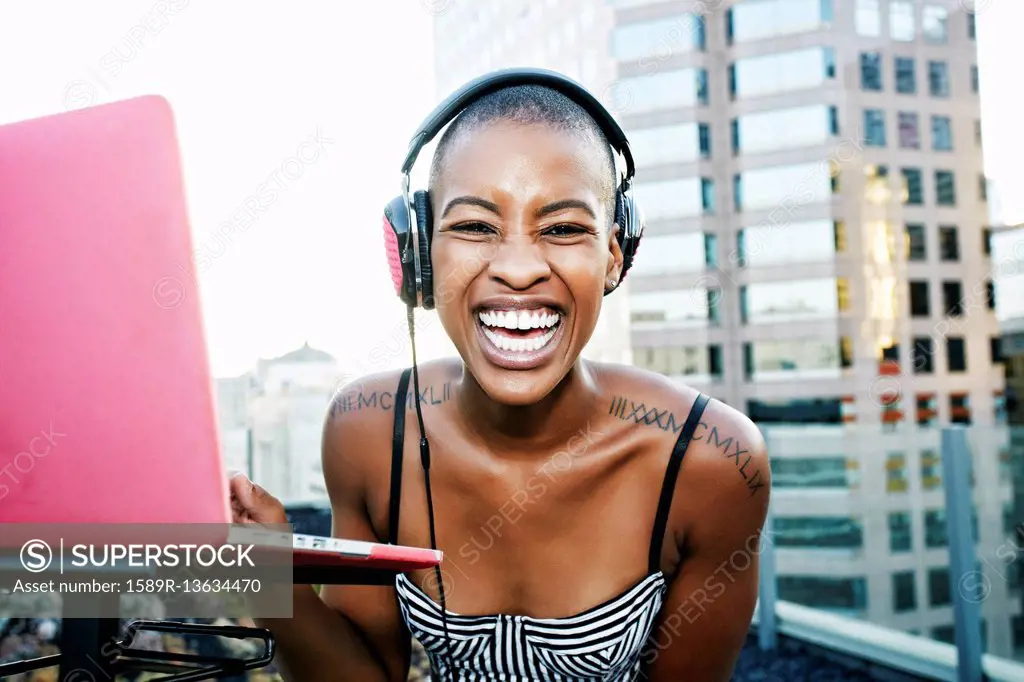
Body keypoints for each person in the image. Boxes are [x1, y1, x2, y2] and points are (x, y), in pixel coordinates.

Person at [230, 72, 771, 681]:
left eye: (564, 229)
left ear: (615, 254)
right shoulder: (367, 429)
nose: (517, 269)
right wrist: (270, 574)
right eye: (475, 227)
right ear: (418, 257)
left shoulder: (710, 458)